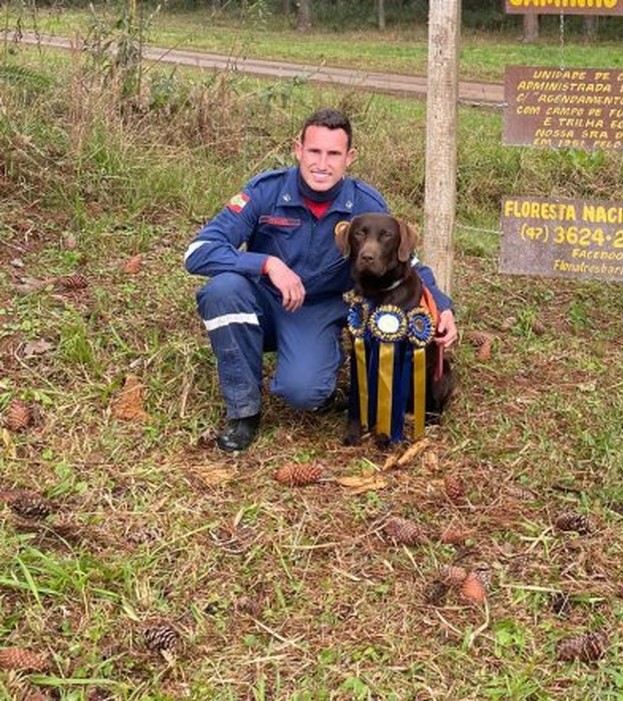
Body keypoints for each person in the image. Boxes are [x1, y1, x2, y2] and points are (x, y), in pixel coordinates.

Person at [184, 107, 457, 452]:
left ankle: (318, 377)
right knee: (223, 289)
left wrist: (442, 306)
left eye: (333, 154)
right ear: (298, 149)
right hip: (263, 302)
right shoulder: (264, 192)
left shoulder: (365, 204)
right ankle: (243, 412)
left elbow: (408, 264)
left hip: (317, 311)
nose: (321, 164)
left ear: (349, 157)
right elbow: (198, 251)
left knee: (303, 391)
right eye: (314, 151)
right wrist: (267, 263)